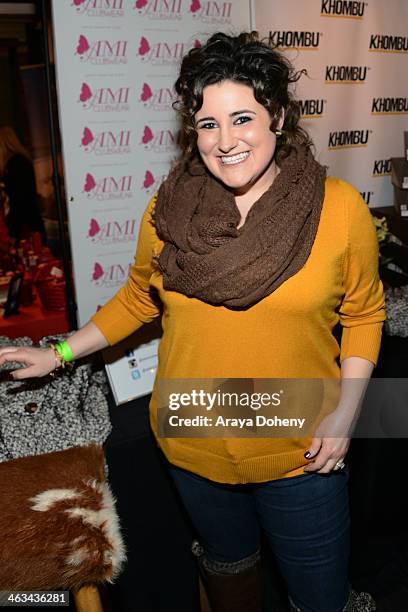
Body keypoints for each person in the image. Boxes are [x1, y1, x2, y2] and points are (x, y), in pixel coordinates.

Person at [0, 33, 385, 612]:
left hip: (302, 444)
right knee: (230, 575)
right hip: (193, 431)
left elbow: (364, 312)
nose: (225, 142)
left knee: (318, 596)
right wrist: (56, 355)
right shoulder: (169, 208)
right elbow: (136, 298)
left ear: (277, 115)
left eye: (241, 118)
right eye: (208, 124)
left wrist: (348, 410)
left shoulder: (337, 209)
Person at [0, 125, 46, 243]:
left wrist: (13, 232)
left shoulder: (15, 165)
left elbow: (19, 202)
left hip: (25, 228)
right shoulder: (20, 161)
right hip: (30, 223)